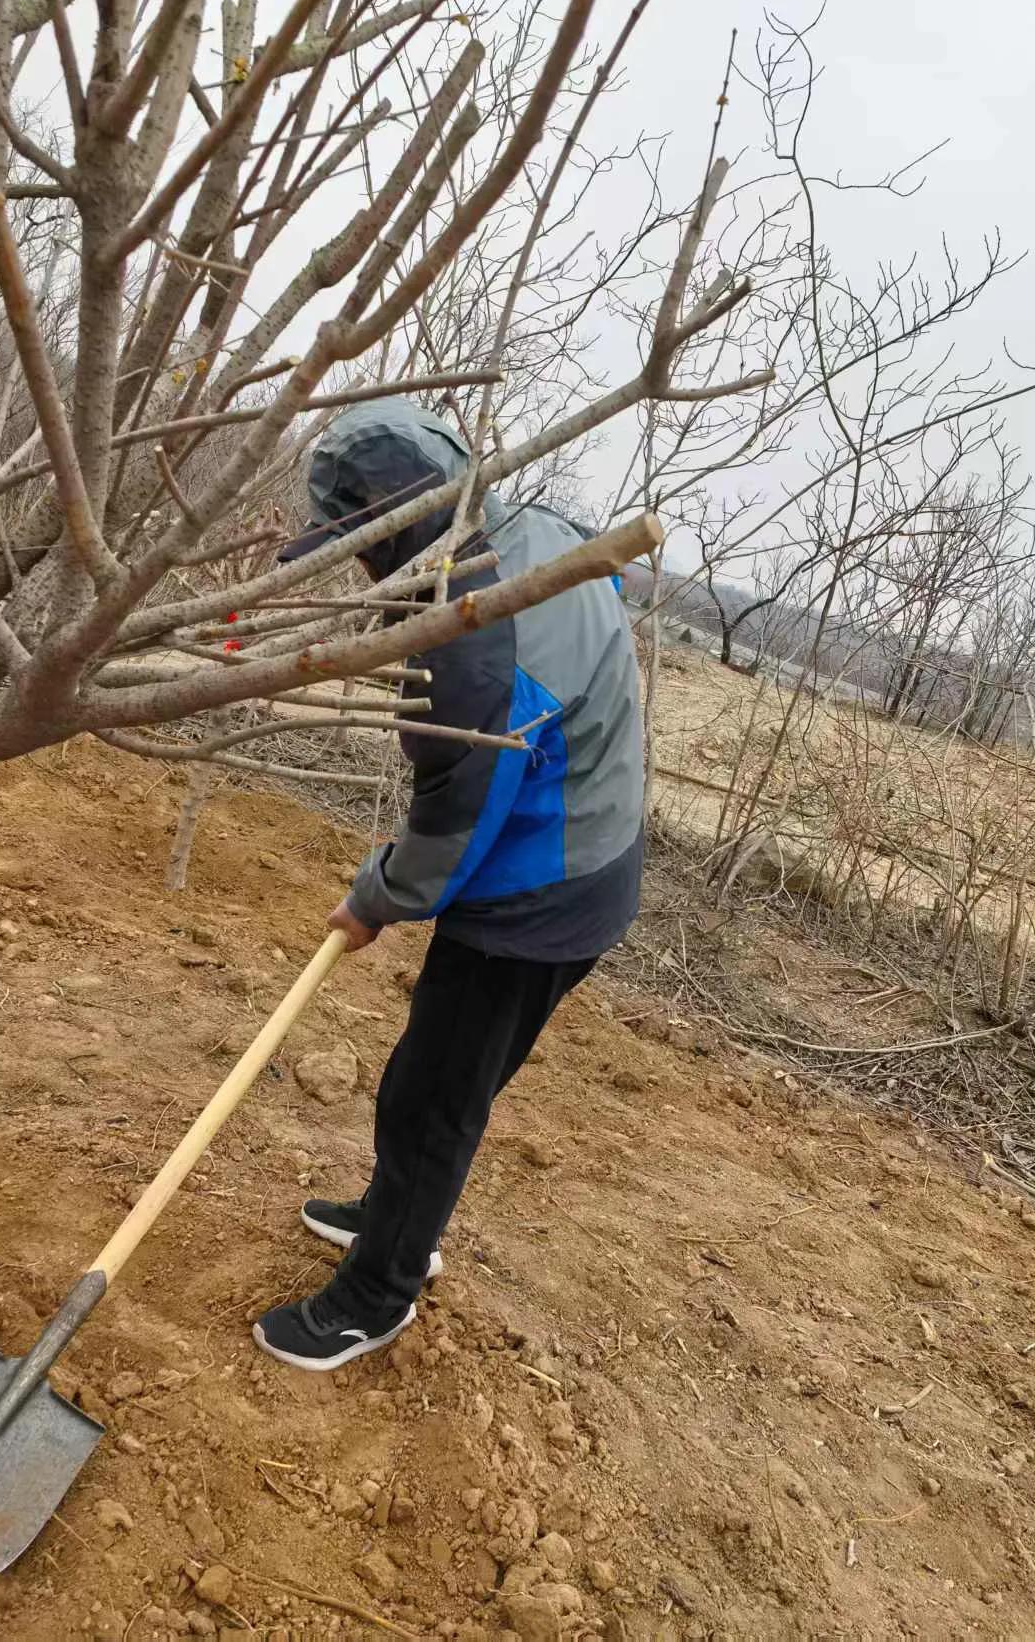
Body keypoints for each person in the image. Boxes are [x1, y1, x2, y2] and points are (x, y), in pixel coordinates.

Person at [253, 401, 644, 1371]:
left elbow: (451, 825)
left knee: (434, 1096)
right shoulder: (520, 535)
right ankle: (392, 1217)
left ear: (403, 529)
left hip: (542, 893)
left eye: (362, 545)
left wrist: (375, 895)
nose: (357, 567)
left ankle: (380, 1288)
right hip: (563, 841)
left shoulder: (481, 641)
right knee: (429, 1079)